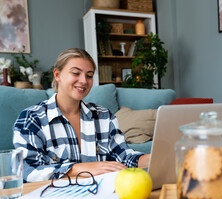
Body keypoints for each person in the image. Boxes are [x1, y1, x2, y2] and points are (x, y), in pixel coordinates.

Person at [13, 48, 150, 182]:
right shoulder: (31, 118)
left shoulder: (103, 116)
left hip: (101, 195)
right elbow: (27, 171)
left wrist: (155, 158)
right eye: (76, 73)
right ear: (57, 75)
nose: (84, 81)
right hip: (56, 198)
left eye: (89, 75)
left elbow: (124, 157)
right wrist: (78, 169)